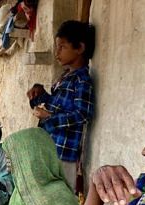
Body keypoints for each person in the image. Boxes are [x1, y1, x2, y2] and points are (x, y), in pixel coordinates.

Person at [27, 20, 95, 192]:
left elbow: (82, 114)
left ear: (79, 48)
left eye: (62, 47)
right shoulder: (65, 76)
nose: (57, 52)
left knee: (62, 196)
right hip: (51, 147)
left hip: (65, 152)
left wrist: (49, 117)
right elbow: (58, 105)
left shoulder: (82, 80)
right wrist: (40, 94)